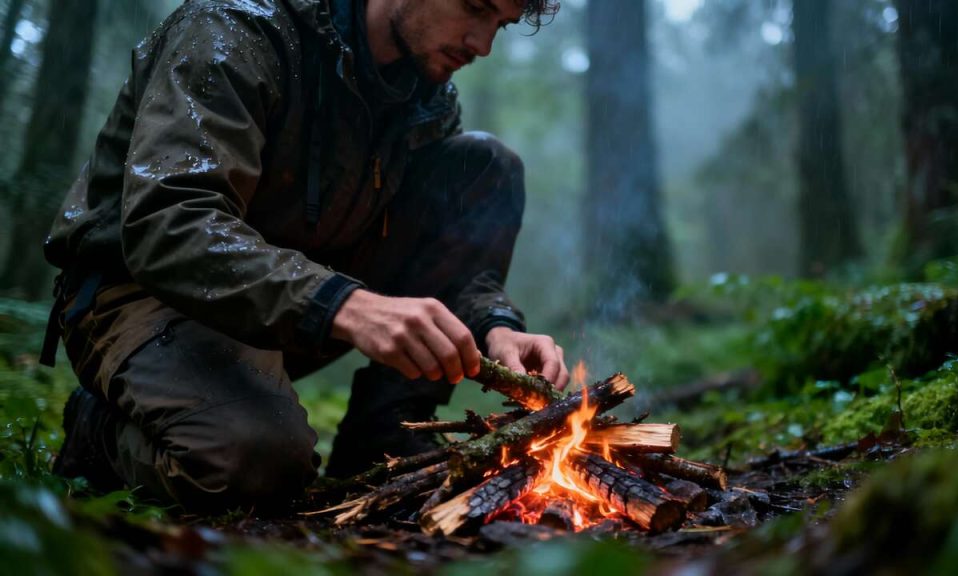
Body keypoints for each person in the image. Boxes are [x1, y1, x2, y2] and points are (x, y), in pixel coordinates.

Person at [42, 0, 565, 513]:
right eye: (475, 8)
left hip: (286, 303)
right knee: (254, 463)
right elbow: (169, 223)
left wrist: (494, 325)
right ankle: (98, 434)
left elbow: (446, 250)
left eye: (501, 23)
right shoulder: (234, 26)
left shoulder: (421, 95)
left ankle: (385, 439)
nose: (484, 45)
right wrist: (345, 305)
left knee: (482, 167)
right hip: (138, 291)